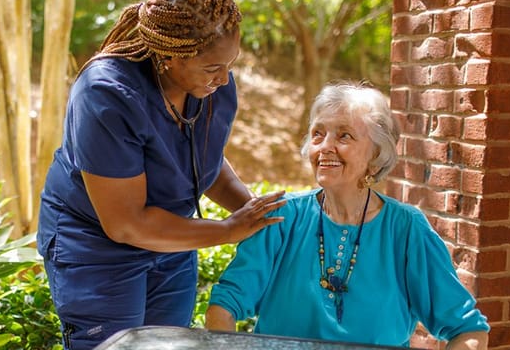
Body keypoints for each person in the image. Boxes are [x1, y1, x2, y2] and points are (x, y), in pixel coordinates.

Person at [36, 0, 286, 350]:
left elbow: (202, 160)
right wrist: (228, 230)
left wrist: (253, 215)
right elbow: (125, 223)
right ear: (169, 56)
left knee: (166, 344)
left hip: (170, 238)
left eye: (230, 64)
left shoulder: (211, 86)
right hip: (98, 247)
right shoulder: (107, 94)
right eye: (212, 68)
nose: (223, 78)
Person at [205, 80, 490, 349]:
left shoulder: (406, 230)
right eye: (318, 133)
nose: (325, 146)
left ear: (375, 155)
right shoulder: (281, 218)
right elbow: (224, 305)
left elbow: (468, 329)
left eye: (344, 135)